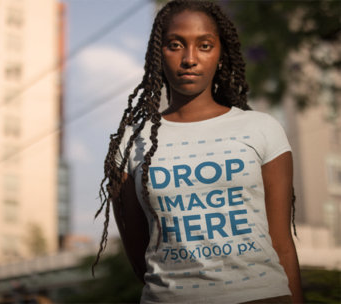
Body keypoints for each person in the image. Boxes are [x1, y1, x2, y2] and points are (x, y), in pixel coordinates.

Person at [94, 0, 303, 303]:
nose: (189, 58)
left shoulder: (262, 129)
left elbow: (282, 244)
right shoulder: (130, 143)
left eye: (204, 45)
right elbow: (142, 257)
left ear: (221, 55)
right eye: (175, 45)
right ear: (158, 55)